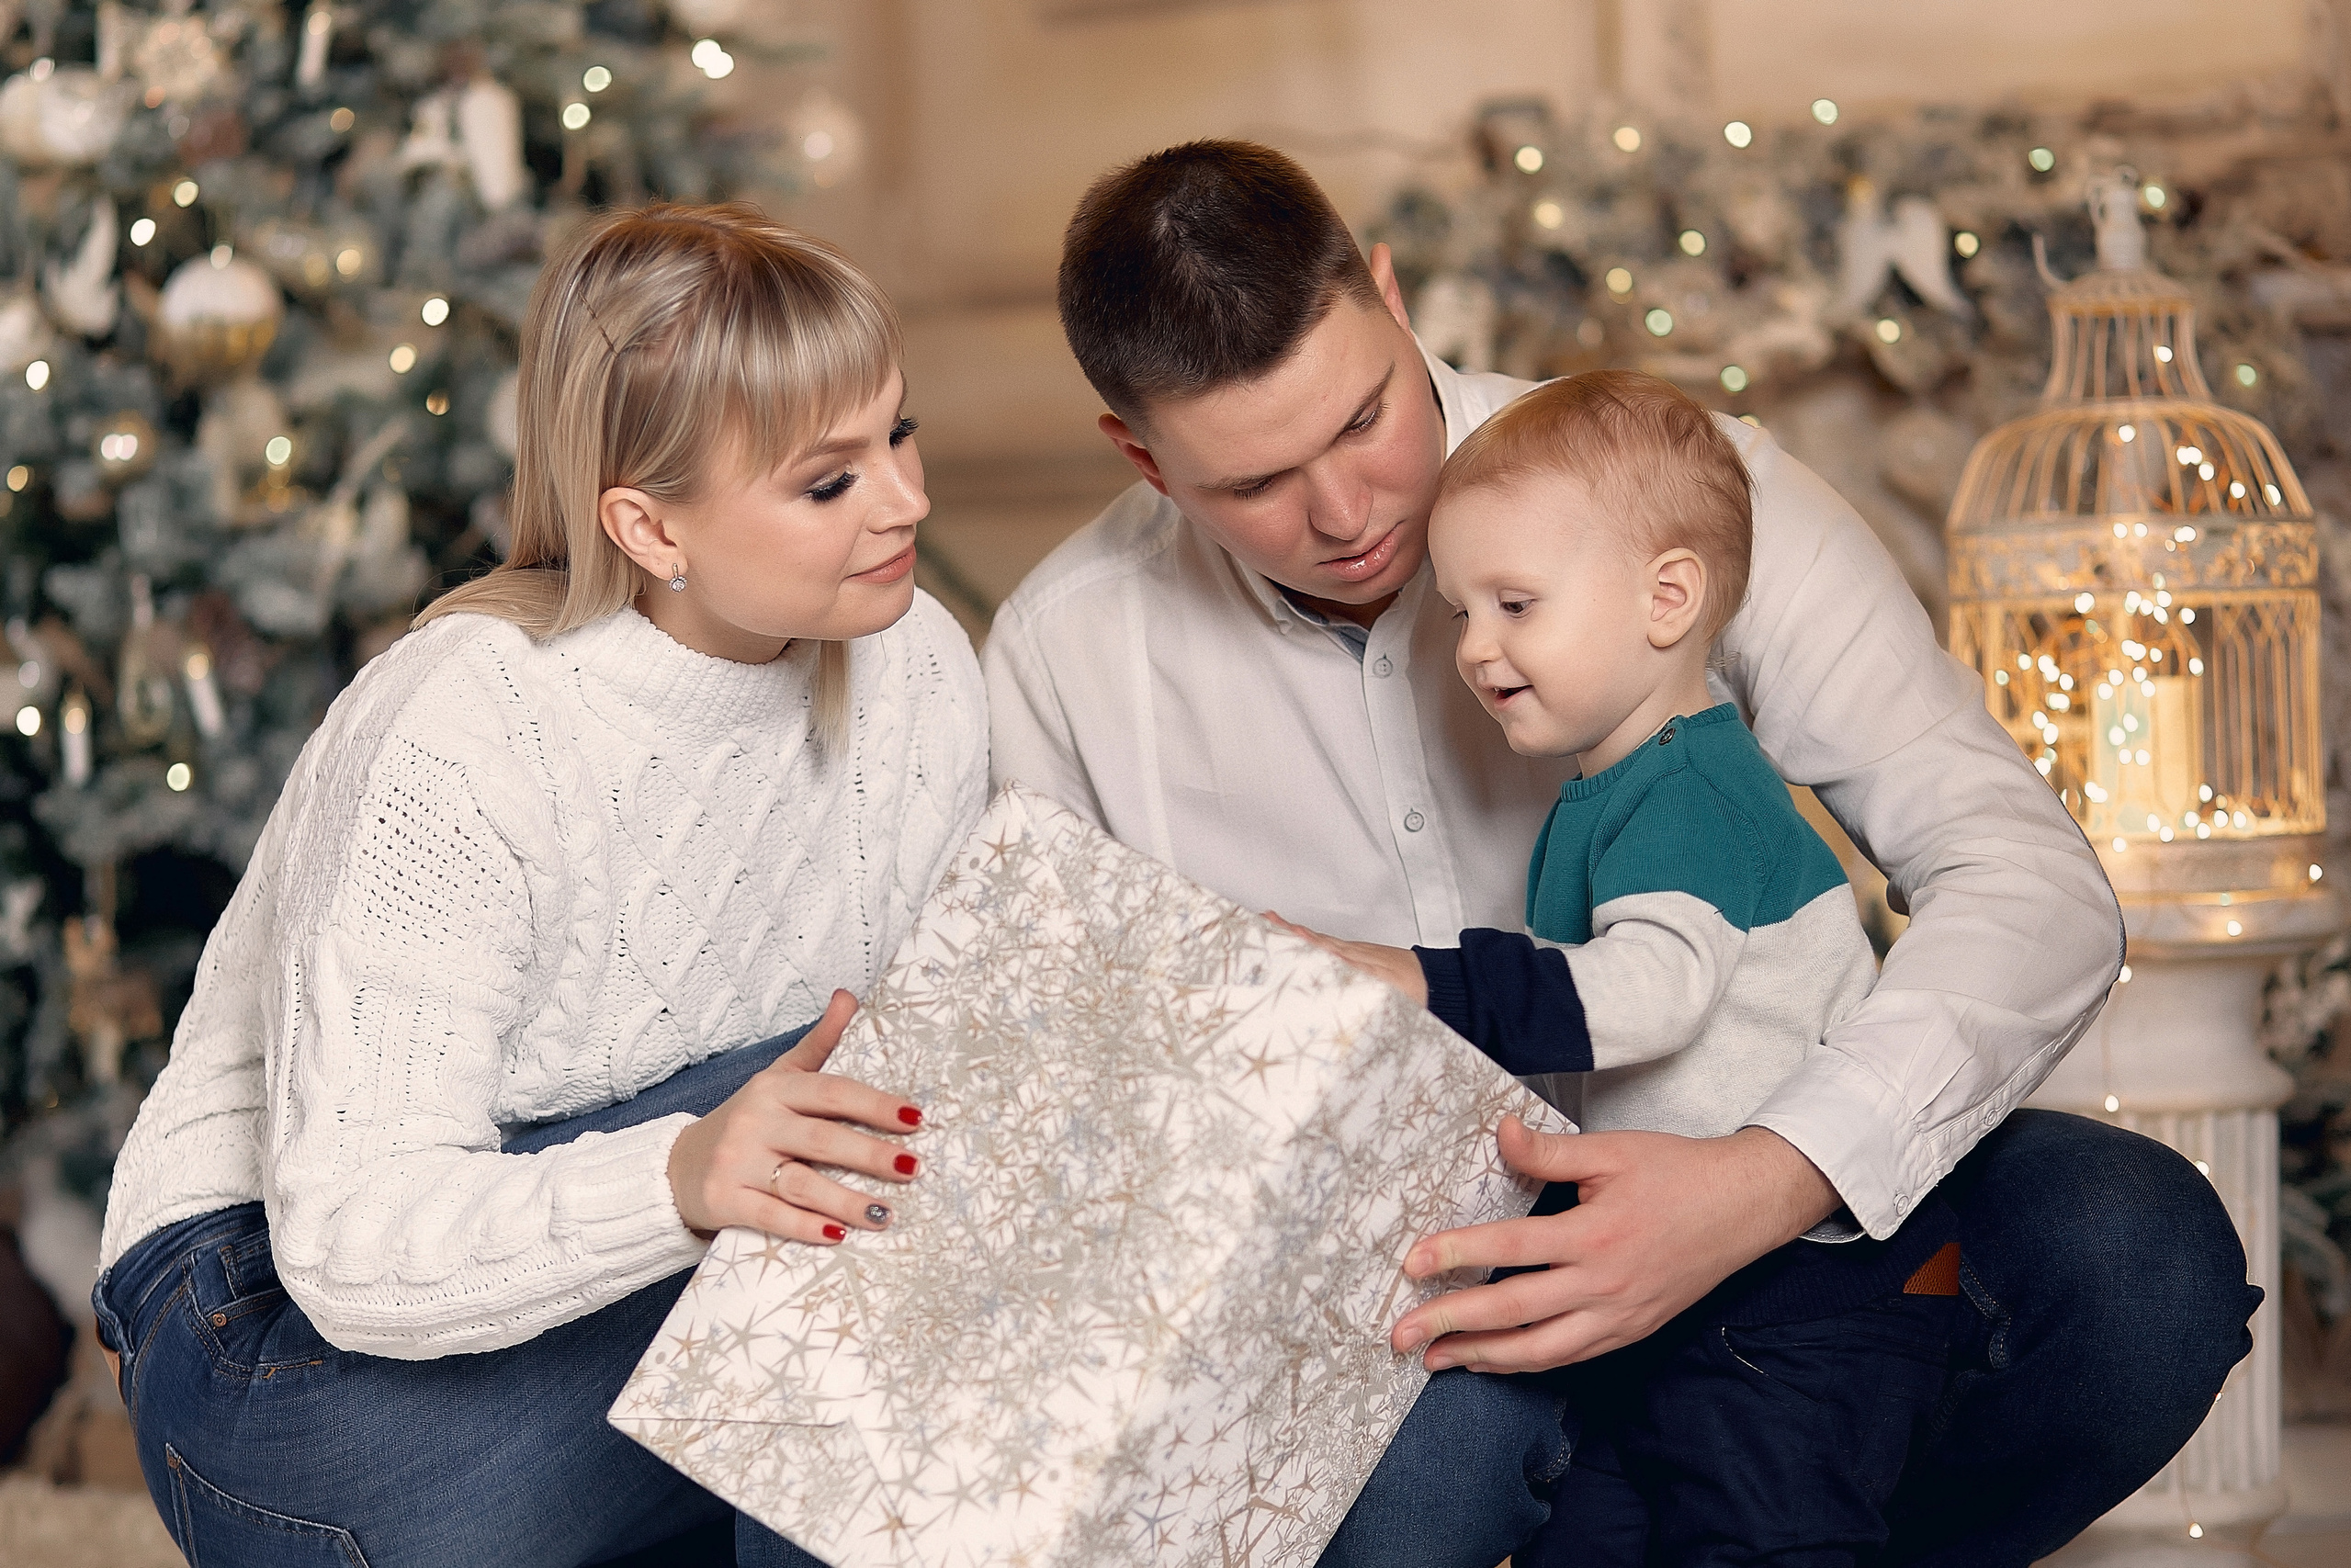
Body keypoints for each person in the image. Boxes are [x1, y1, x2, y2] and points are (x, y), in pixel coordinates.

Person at [986, 139, 2260, 1567]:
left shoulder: (1684, 488)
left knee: (2136, 1262)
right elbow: (1086, 1107)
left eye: (1362, 421)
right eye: (1255, 484)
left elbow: (2028, 883)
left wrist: (1774, 1177)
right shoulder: (1063, 655)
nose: (1346, 515)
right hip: (1400, 1280)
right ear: (1141, 455)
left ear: (1393, 299)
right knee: (1417, 1492)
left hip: (1771, 1196)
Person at [91, 204, 988, 1567]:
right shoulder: (463, 727)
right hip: (274, 1336)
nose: (909, 503)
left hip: (660, 1267)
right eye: (829, 482)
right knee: (860, 1167)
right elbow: (349, 1237)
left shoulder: (918, 660)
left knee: (902, 1176)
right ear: (648, 526)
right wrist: (685, 1173)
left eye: (899, 436)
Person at [1290, 369, 1967, 1565]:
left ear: (1667, 600)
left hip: (1799, 1302)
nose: (1476, 649)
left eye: (1514, 604)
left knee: (1758, 1542)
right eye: (1461, 614)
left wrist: (1428, 982)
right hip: (1683, 1289)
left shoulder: (1693, 790)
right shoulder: (1617, 790)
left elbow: (1651, 997)